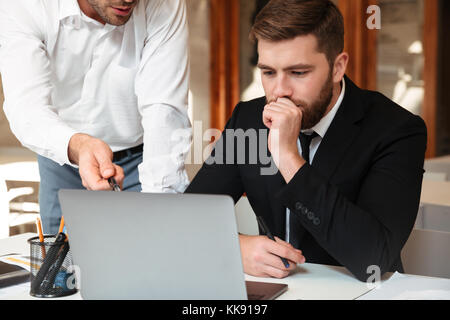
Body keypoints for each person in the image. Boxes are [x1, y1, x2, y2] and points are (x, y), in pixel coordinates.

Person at [186, 0, 427, 282]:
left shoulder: (397, 130)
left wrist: (289, 157)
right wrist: (234, 247)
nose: (280, 91)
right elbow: (190, 216)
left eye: (298, 73)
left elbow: (373, 258)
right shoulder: (248, 119)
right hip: (276, 289)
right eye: (268, 72)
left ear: (338, 68)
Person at [0, 0, 191, 234]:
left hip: (143, 158)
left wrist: (161, 213)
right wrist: (78, 146)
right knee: (62, 267)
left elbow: (164, 110)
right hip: (61, 157)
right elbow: (27, 106)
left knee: (154, 256)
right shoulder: (26, 5)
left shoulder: (164, 3)